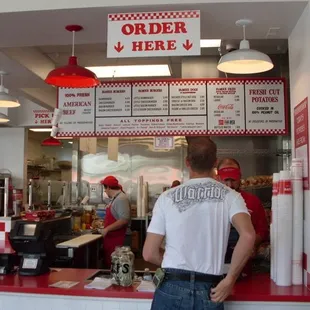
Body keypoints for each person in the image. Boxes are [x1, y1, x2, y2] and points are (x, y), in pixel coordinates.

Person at [143, 137, 255, 309]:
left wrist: (173, 263)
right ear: (215, 163)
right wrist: (230, 278)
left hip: (171, 285)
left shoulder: (167, 198)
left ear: (187, 162)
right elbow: (248, 235)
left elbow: (149, 253)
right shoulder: (231, 196)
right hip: (210, 288)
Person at [217, 158, 269, 275]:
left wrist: (250, 244)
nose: (230, 185)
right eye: (226, 180)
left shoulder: (252, 201)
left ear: (240, 177)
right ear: (218, 178)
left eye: (233, 180)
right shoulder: (209, 203)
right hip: (213, 267)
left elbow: (263, 230)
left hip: (243, 267)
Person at [100, 176, 131, 267]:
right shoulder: (116, 198)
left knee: (120, 269)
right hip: (113, 239)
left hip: (120, 239)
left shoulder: (121, 198)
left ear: (109, 187)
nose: (105, 191)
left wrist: (106, 229)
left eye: (105, 188)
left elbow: (124, 220)